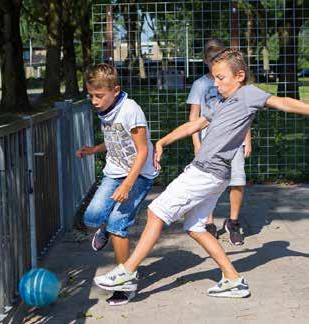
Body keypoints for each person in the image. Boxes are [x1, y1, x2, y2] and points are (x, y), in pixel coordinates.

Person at [93, 49, 309, 299]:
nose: (216, 84)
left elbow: (282, 102)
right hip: (215, 175)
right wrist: (162, 142)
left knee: (156, 211)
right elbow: (194, 124)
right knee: (195, 227)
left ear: (240, 76)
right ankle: (232, 279)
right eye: (214, 78)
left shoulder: (248, 94)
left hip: (206, 172)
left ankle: (127, 271)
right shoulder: (220, 103)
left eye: (221, 78)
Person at [76, 63, 158, 305]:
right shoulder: (107, 110)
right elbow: (116, 141)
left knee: (117, 224)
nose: (94, 101)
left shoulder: (130, 110)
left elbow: (142, 151)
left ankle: (125, 281)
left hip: (139, 175)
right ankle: (102, 229)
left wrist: (127, 185)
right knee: (91, 217)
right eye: (91, 95)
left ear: (115, 90)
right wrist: (94, 149)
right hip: (114, 172)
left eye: (99, 96)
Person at [187, 39, 250, 245]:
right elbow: (194, 116)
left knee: (238, 179)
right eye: (212, 57)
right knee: (209, 182)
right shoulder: (200, 84)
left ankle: (233, 221)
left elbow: (244, 113)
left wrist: (247, 139)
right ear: (205, 59)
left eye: (220, 56)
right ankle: (209, 222)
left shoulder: (234, 83)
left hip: (235, 141)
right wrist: (196, 142)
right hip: (210, 143)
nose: (215, 60)